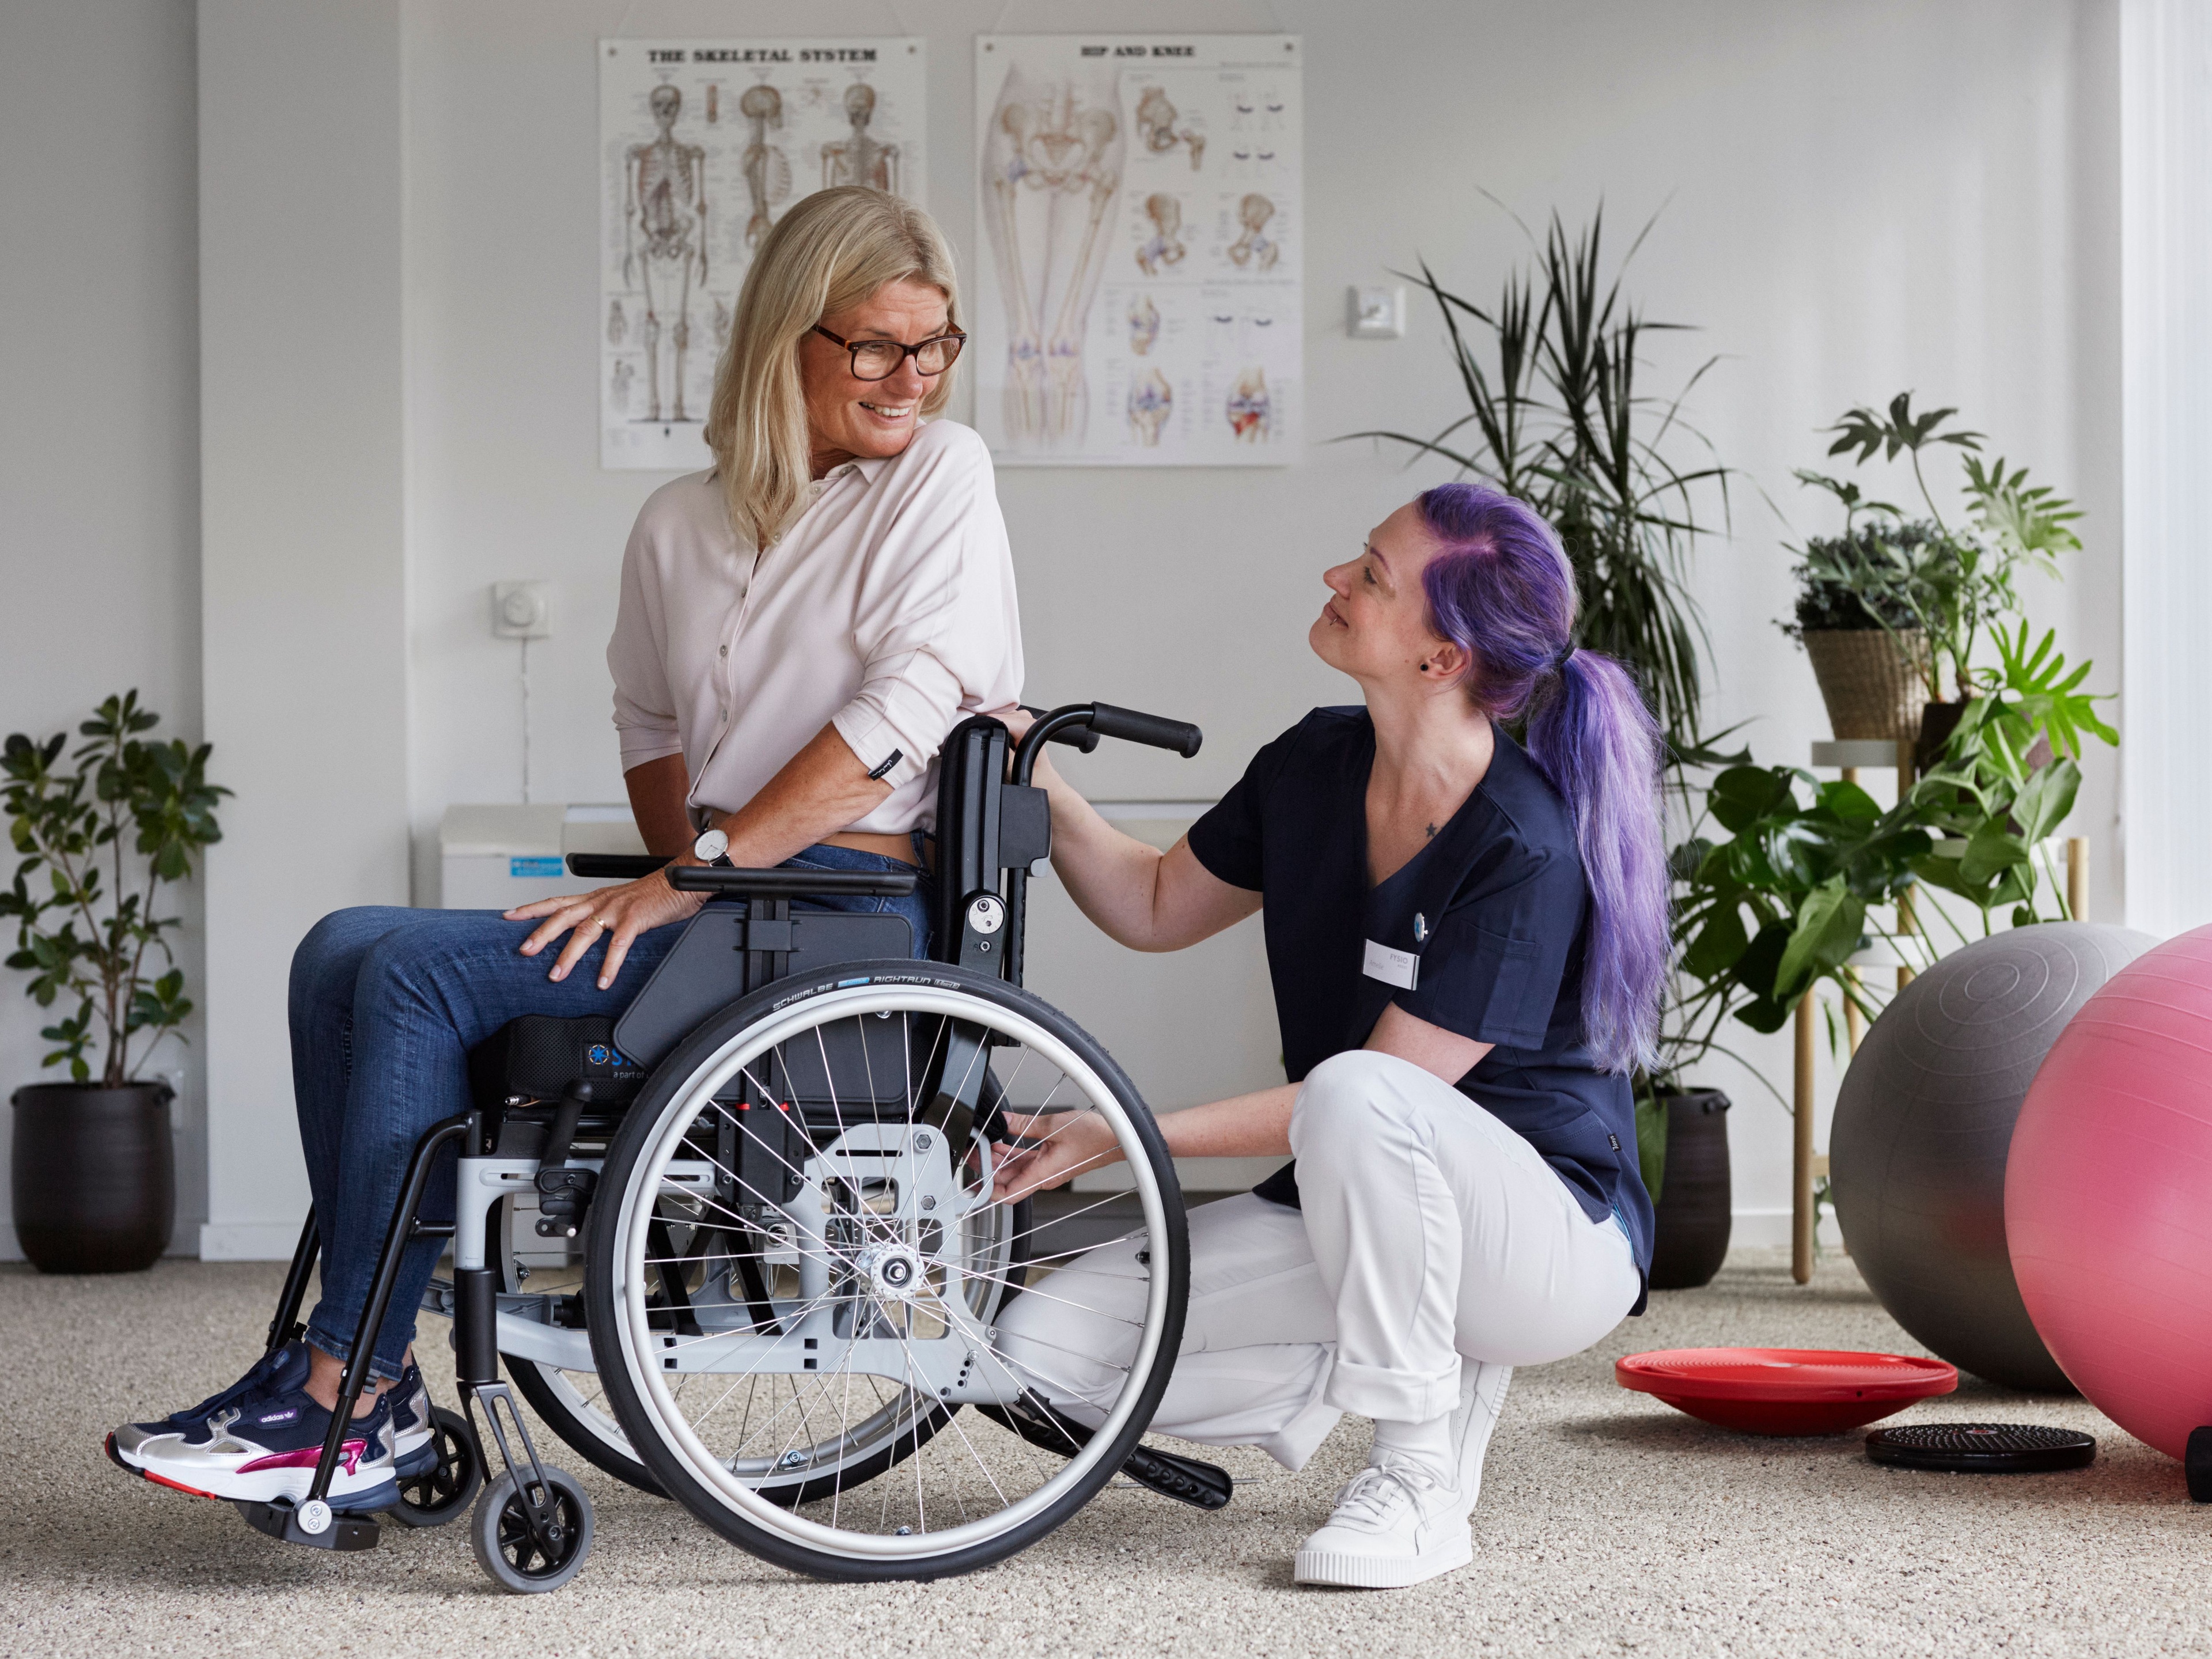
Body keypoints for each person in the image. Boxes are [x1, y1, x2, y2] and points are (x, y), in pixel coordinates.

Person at [107, 187, 1023, 1511]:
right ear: (788, 340)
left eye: (932, 346)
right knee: (338, 951)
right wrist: (688, 873)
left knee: (414, 975)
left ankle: (346, 1393)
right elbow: (649, 721)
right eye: (875, 345)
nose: (912, 379)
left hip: (853, 920)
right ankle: (368, 1376)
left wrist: (693, 884)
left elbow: (903, 717)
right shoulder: (680, 519)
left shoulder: (941, 476)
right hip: (730, 914)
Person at [994, 483, 1668, 1590]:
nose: (1334, 581)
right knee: (1040, 1353)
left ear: (1442, 658)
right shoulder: (1314, 762)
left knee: (1357, 1091)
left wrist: (1116, 1133)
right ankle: (1398, 1352)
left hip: (1541, 1241)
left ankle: (1417, 1475)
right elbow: (1154, 906)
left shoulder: (1522, 846)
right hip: (1356, 1206)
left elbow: (1367, 1098)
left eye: (1369, 575)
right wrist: (1039, 772)